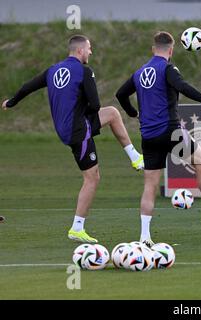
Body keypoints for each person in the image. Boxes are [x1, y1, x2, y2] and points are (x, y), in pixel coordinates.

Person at [1, 35, 144, 243]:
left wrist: (11, 103)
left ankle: (135, 158)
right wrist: (83, 111)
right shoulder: (84, 71)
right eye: (89, 48)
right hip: (78, 130)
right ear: (80, 51)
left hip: (65, 129)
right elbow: (94, 105)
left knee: (112, 113)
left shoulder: (52, 70)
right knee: (92, 178)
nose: (91, 52)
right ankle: (77, 228)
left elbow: (27, 86)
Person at [115, 31, 201, 246]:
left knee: (150, 185)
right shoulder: (168, 69)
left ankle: (144, 236)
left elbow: (121, 94)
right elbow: (183, 87)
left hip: (148, 136)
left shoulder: (139, 73)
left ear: (153, 49)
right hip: (171, 131)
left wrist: (131, 113)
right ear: (171, 50)